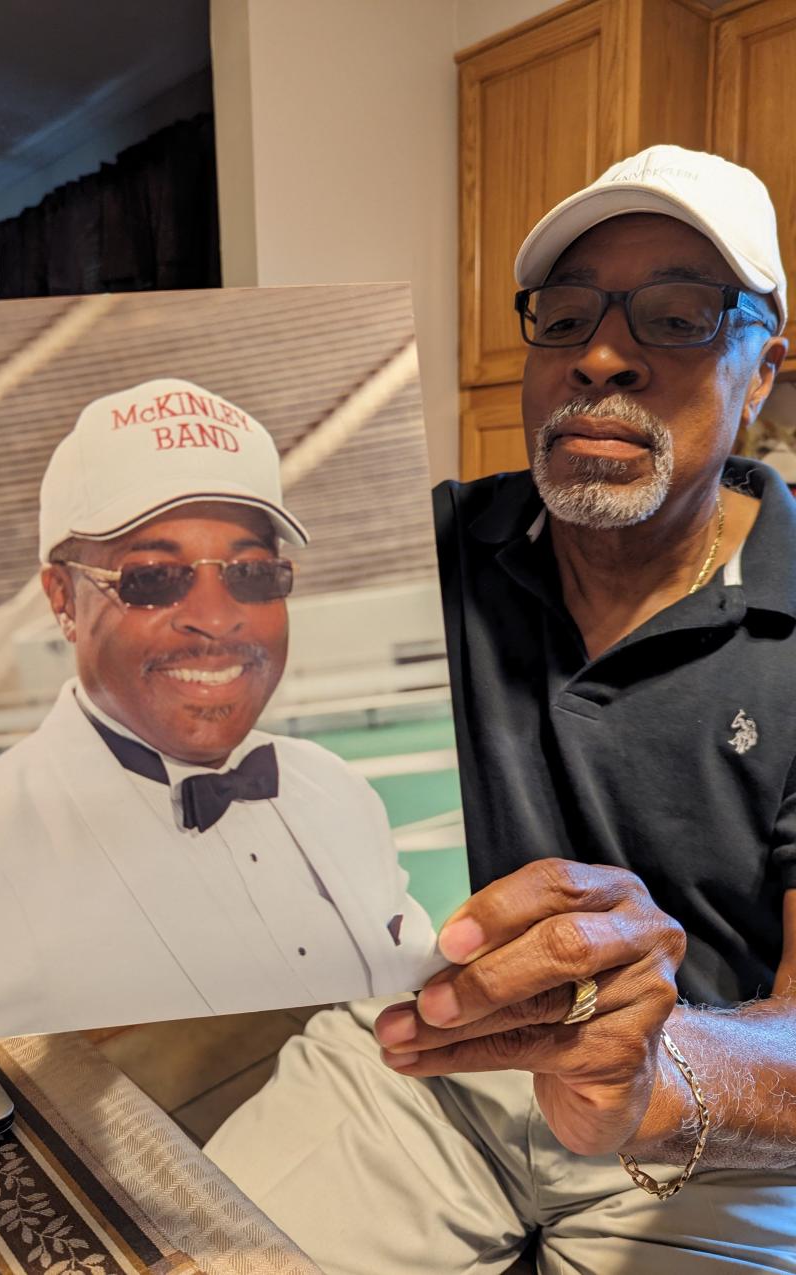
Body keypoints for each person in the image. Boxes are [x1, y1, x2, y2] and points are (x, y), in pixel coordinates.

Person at [205, 146, 796, 1272]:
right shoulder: (413, 550)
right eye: (564, 318)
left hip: (698, 1114)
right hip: (421, 1052)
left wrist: (653, 1071)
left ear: (762, 371)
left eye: (677, 317)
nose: (602, 357)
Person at [0, 377, 440, 1046]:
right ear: (62, 597)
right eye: (151, 577)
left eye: (253, 572)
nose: (215, 618)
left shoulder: (340, 789)